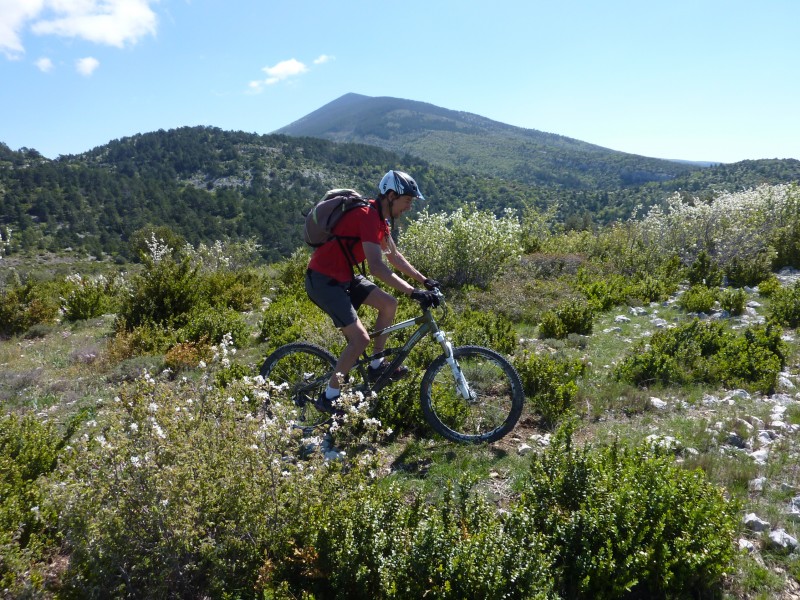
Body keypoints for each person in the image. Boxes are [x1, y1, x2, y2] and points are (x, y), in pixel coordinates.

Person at [305, 169, 440, 412]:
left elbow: (395, 257)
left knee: (389, 304)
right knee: (360, 339)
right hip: (324, 280)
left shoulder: (380, 220)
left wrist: (424, 281)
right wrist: (412, 292)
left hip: (345, 275)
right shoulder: (366, 215)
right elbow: (377, 267)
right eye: (407, 200)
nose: (409, 207)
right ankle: (329, 397)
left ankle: (377, 366)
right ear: (390, 196)